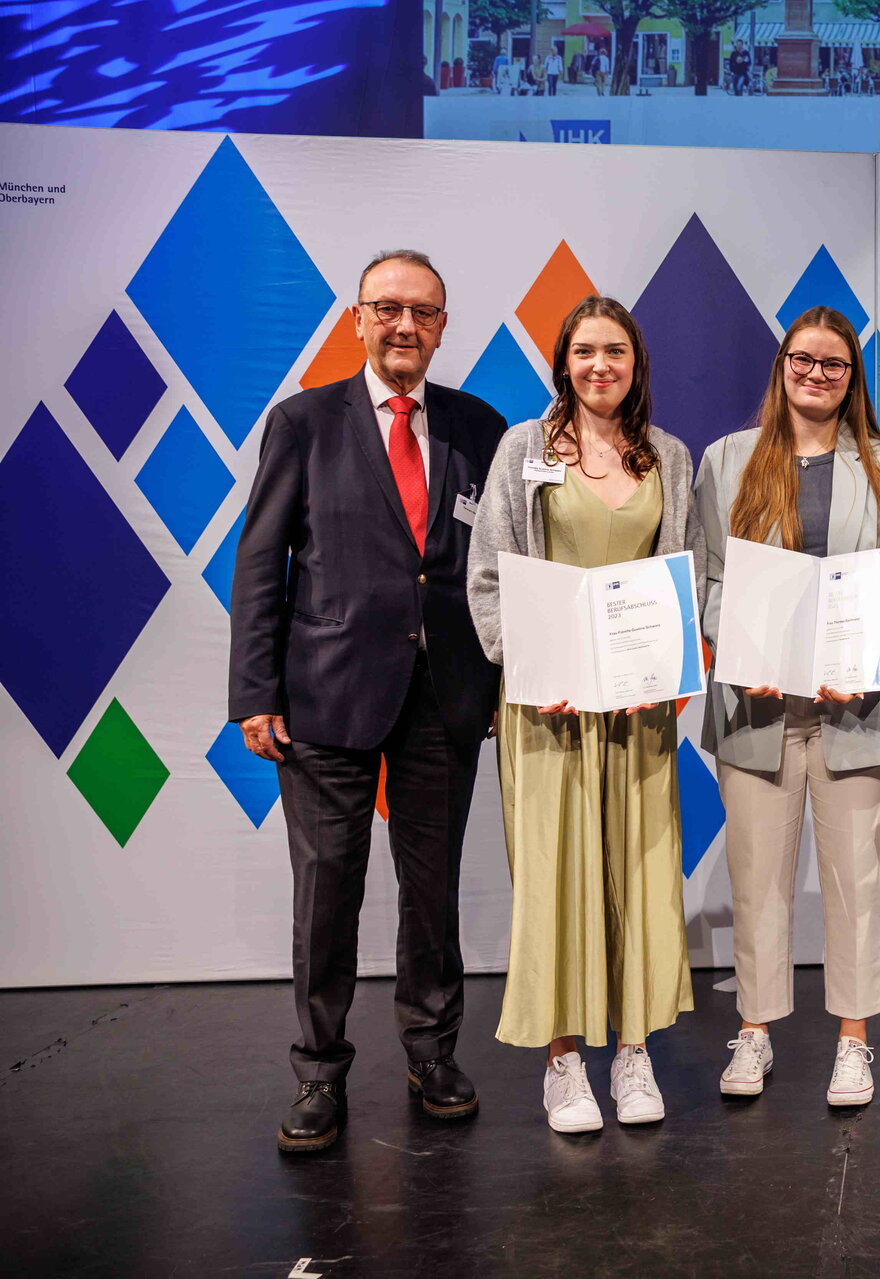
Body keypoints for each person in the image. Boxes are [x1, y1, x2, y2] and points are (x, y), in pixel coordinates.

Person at [229, 250, 507, 1153]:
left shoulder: (480, 427)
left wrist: (500, 679)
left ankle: (433, 1052)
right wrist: (253, 694)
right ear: (356, 319)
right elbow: (260, 563)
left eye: (423, 312)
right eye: (387, 309)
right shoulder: (304, 422)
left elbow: (496, 571)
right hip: (323, 700)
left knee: (433, 894)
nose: (404, 327)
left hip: (446, 702)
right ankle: (318, 1073)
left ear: (442, 327)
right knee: (326, 895)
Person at [466, 297, 702, 1133]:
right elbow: (489, 571)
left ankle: (633, 1051)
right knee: (555, 873)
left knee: (639, 868)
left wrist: (675, 668)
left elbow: (687, 575)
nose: (600, 366)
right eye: (584, 351)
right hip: (547, 705)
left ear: (637, 364)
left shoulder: (669, 457)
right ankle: (565, 1062)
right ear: (562, 361)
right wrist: (524, 662)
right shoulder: (522, 450)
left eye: (616, 352)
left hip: (635, 710)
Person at [695, 307, 880, 1108]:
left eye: (835, 365)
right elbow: (706, 578)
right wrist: (737, 649)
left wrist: (871, 661)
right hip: (756, 712)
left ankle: (854, 1042)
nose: (818, 375)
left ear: (851, 378)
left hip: (856, 709)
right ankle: (756, 1030)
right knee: (758, 877)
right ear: (783, 364)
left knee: (855, 881)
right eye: (805, 360)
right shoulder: (728, 460)